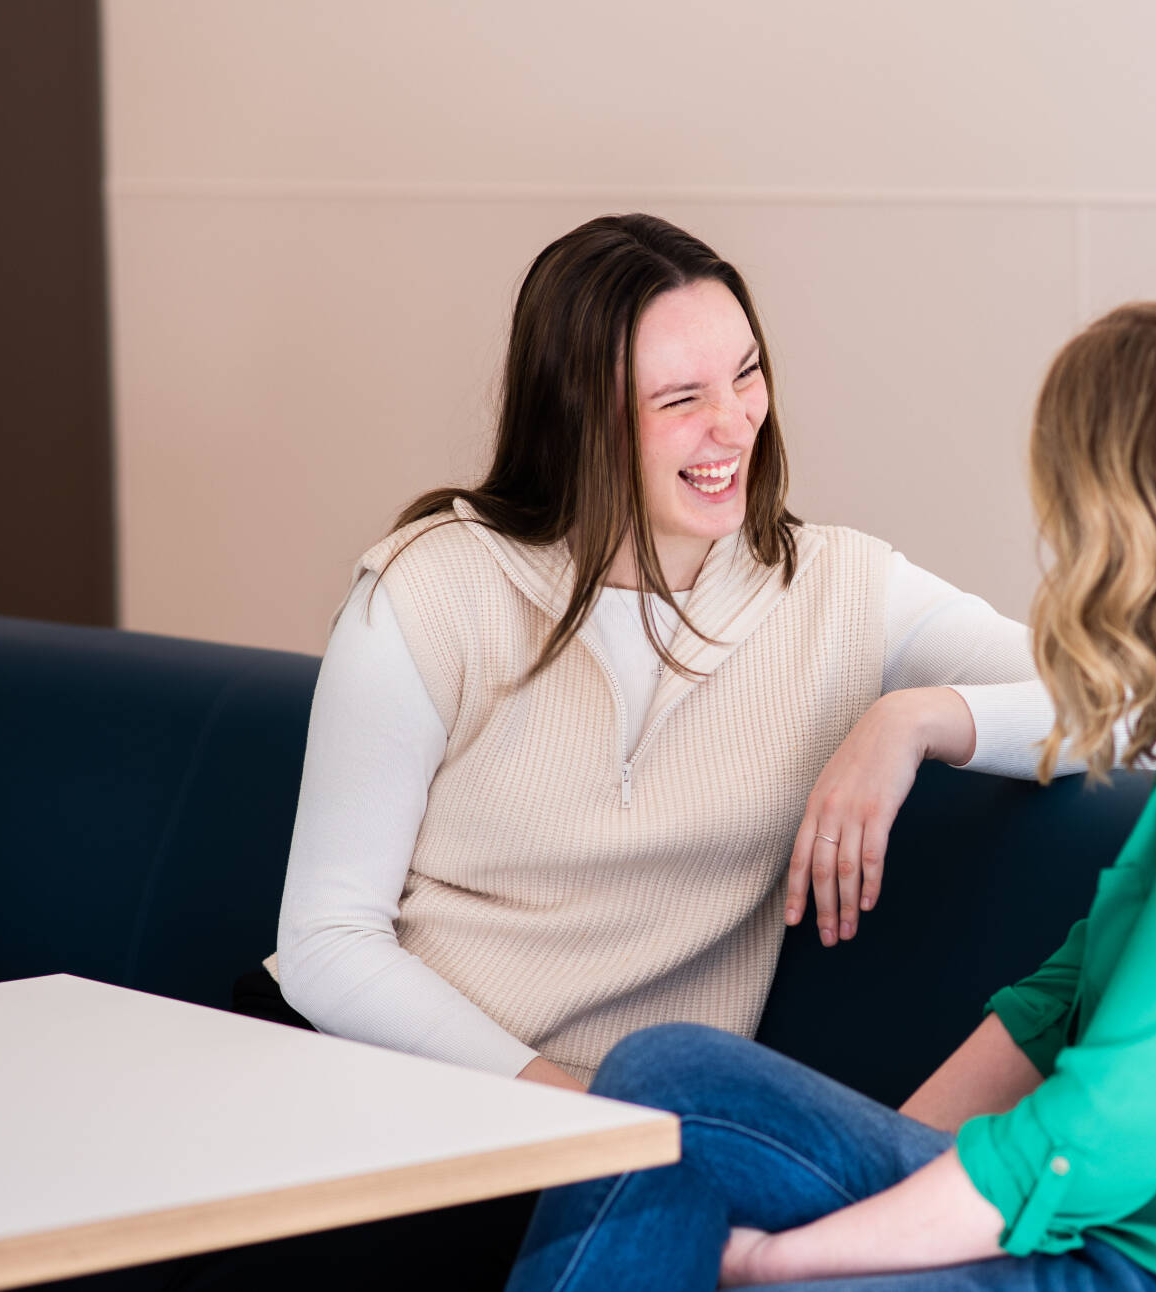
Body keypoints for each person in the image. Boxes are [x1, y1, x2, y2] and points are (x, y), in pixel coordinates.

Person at [506, 302, 1156, 1291]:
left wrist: (778, 1262)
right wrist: (875, 1176)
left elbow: (1104, 1133)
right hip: (1101, 1235)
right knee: (670, 1078)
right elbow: (1063, 1003)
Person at [243, 214, 1092, 1096]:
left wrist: (914, 718)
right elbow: (326, 944)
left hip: (624, 1127)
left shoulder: (839, 589)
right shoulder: (427, 589)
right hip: (375, 1080)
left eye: (747, 374)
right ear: (576, 420)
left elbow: (1137, 704)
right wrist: (566, 1112)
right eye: (681, 399)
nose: (734, 423)